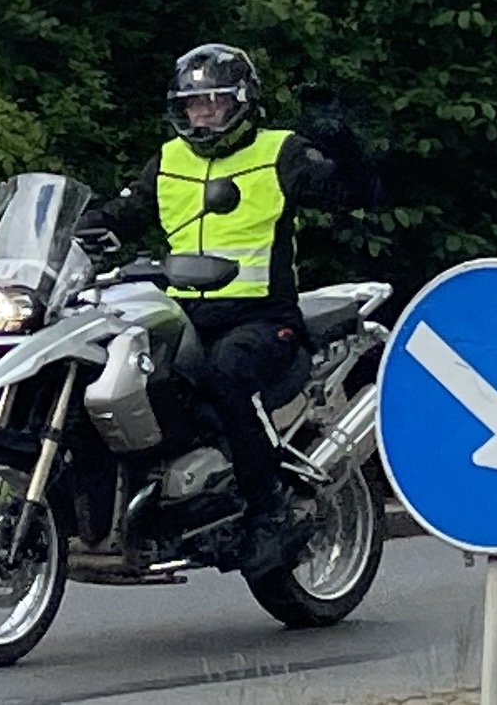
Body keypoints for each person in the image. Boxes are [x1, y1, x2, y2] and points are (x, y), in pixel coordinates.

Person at [76, 43, 384, 578]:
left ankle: (270, 511)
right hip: (184, 316)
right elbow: (125, 211)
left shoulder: (279, 152)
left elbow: (353, 193)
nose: (203, 113)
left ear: (242, 102)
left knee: (229, 371)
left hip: (262, 319)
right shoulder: (168, 160)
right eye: (193, 104)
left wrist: (341, 141)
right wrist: (81, 232)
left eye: (214, 101)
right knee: (116, 373)